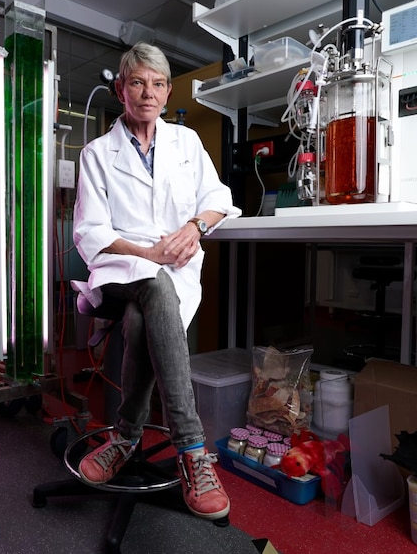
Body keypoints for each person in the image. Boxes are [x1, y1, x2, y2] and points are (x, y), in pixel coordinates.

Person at [72, 42, 242, 521]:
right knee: (151, 284)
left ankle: (124, 437)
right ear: (121, 90)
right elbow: (91, 232)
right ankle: (192, 447)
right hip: (120, 266)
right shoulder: (96, 154)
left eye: (159, 83)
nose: (148, 93)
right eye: (138, 83)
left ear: (168, 92)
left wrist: (195, 227)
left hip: (175, 267)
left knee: (145, 315)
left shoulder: (186, 143)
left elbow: (218, 198)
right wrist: (148, 253)